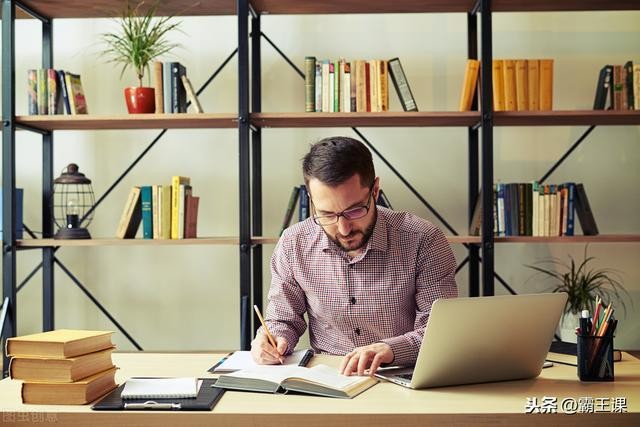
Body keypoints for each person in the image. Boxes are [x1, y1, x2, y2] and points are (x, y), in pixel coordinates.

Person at [251, 136, 457, 376]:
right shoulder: (293, 243)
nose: (343, 229)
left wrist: (389, 350)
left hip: (404, 376)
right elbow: (283, 320)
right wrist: (272, 340)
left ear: (375, 190)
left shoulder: (423, 239)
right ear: (311, 201)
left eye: (355, 210)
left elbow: (439, 333)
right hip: (329, 379)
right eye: (326, 214)